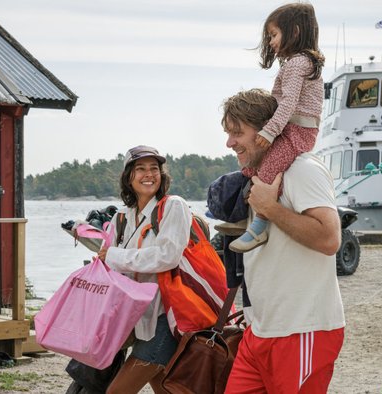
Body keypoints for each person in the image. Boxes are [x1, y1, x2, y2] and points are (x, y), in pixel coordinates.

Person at [221, 89, 345, 393]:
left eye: (238, 133)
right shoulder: (260, 175)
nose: (229, 142)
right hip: (260, 331)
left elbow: (330, 239)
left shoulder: (303, 169)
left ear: (268, 129)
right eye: (228, 133)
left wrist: (270, 209)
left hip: (302, 329)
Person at [230, 2, 326, 253]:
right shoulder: (296, 63)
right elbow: (279, 99)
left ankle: (259, 226)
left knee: (270, 167)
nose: (271, 42)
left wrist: (269, 131)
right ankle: (246, 212)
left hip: (298, 131)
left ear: (293, 32)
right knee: (254, 168)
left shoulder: (298, 63)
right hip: (291, 126)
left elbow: (289, 102)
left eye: (274, 35)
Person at [95, 145, 192, 394]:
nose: (148, 174)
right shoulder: (122, 217)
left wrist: (115, 255)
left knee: (117, 391)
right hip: (133, 318)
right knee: (163, 388)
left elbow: (167, 256)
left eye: (154, 169)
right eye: (140, 169)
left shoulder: (173, 206)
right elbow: (116, 268)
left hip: (164, 318)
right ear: (129, 177)